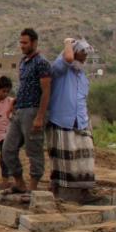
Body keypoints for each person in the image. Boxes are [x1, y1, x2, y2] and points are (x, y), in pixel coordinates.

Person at [2, 28, 52, 194]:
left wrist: (40, 116)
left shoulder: (42, 63)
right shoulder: (23, 62)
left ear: (34, 43)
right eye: (20, 42)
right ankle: (19, 183)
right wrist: (13, 102)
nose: (21, 45)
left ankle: (33, 188)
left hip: (33, 110)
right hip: (20, 109)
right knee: (8, 149)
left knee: (34, 150)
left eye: (25, 42)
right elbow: (24, 87)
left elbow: (46, 91)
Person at [47, 38, 96, 201]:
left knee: (84, 158)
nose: (85, 57)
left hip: (80, 121)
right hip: (62, 119)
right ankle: (60, 192)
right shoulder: (61, 68)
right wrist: (67, 42)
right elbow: (67, 59)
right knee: (63, 161)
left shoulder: (81, 75)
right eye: (82, 53)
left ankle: (83, 191)